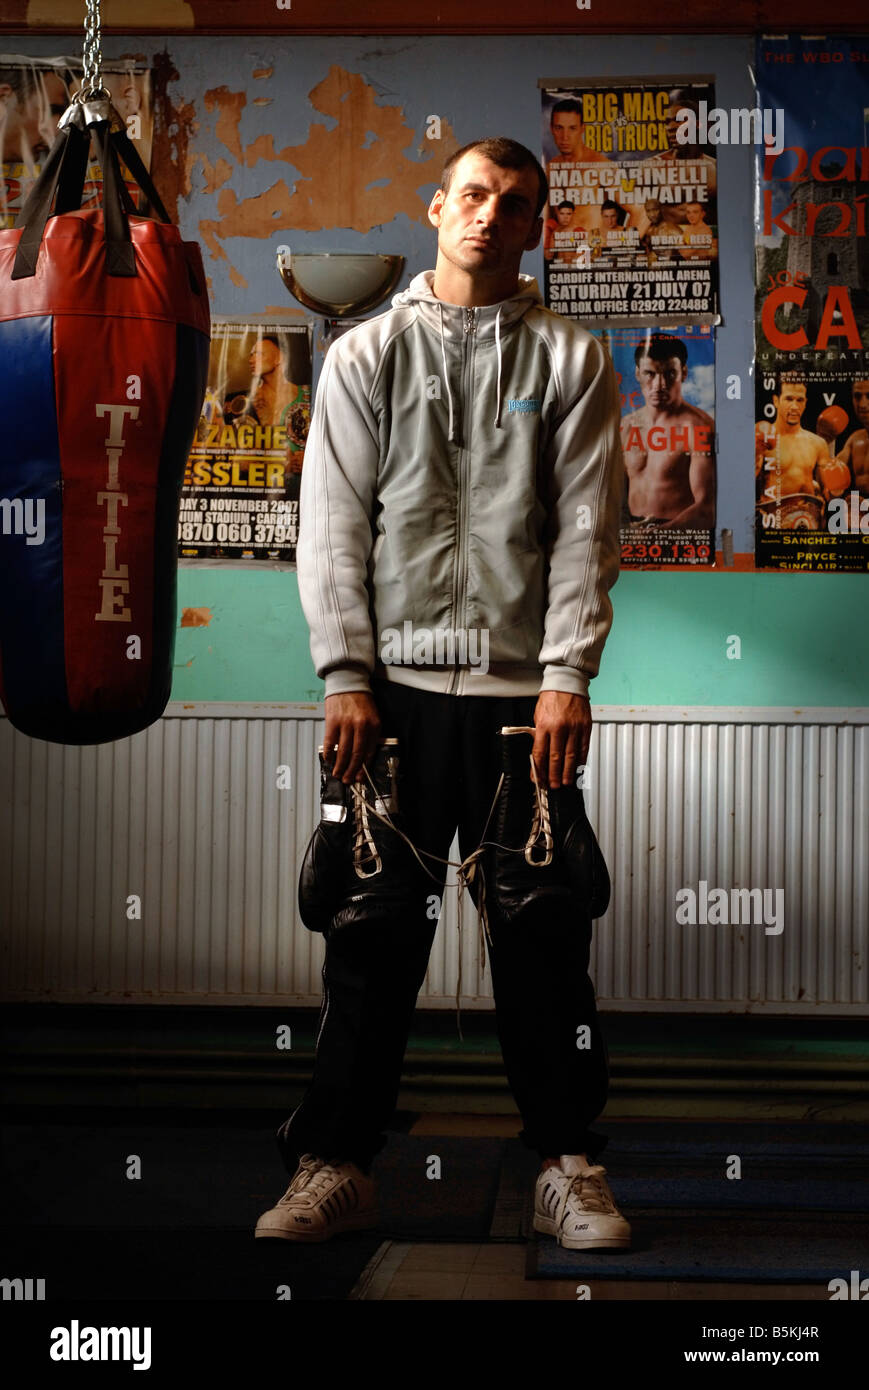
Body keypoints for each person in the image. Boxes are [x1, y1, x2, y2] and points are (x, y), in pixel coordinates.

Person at [255, 137, 629, 1253]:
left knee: (543, 937)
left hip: (525, 702)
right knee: (369, 936)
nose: (487, 216)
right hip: (390, 700)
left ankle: (567, 1164)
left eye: (513, 204)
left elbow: (585, 534)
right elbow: (331, 531)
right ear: (436, 206)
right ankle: (336, 1164)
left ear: (532, 228)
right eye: (472, 195)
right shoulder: (366, 354)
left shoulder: (570, 359)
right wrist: (344, 676)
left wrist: (567, 676)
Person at [621, 334, 715, 526]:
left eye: (669, 374)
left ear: (684, 373)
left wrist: (661, 533)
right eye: (650, 374)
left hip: (676, 532)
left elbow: (707, 507)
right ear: (638, 373)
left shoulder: (697, 426)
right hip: (630, 532)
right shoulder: (626, 425)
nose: (659, 385)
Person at [755, 376, 829, 518]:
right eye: (789, 399)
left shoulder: (818, 443)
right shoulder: (762, 435)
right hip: (773, 521)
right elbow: (742, 483)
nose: (795, 406)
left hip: (808, 521)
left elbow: (829, 493)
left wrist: (835, 489)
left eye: (799, 400)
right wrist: (756, 453)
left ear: (806, 403)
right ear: (776, 401)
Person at [833, 380, 869, 497]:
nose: (863, 404)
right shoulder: (854, 439)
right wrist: (828, 440)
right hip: (860, 511)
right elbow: (832, 480)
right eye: (857, 396)